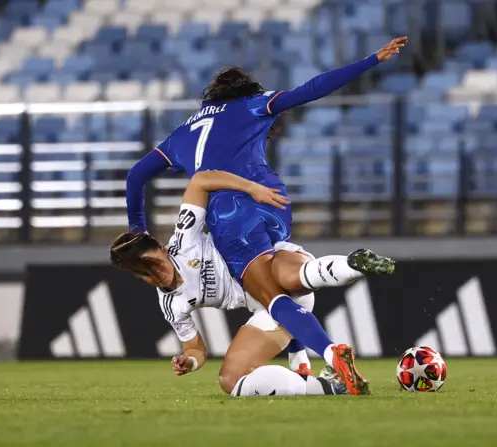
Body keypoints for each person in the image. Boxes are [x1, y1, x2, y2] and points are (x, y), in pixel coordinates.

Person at [125, 37, 407, 394]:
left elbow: (136, 175)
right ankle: (346, 273)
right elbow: (311, 90)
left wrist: (139, 233)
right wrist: (371, 60)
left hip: (230, 215)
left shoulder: (182, 134)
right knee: (285, 277)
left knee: (273, 298)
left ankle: (332, 354)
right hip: (273, 199)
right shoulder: (253, 105)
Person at [113, 170, 395, 396]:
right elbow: (195, 348)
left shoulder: (184, 239)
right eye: (147, 273)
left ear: (162, 248)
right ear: (140, 277)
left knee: (283, 276)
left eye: (156, 264)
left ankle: (352, 264)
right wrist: (189, 362)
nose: (158, 275)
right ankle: (330, 386)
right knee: (231, 381)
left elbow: (200, 181)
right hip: (271, 309)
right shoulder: (171, 305)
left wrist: (250, 187)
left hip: (276, 260)